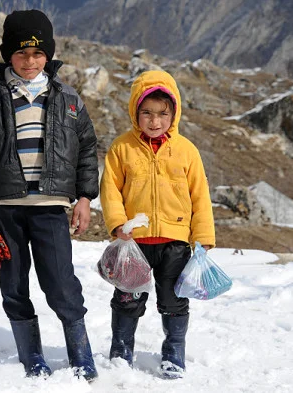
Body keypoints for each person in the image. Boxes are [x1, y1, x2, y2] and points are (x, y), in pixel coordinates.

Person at [0, 9, 99, 381]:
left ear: (48, 55)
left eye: (38, 54)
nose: (30, 61)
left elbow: (87, 150)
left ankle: (81, 354)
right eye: (21, 54)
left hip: (51, 207)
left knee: (61, 284)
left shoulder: (69, 100)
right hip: (5, 210)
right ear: (8, 55)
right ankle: (31, 355)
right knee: (13, 284)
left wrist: (85, 198)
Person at [100, 70, 216, 379]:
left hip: (174, 241)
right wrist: (116, 224)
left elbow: (200, 196)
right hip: (133, 242)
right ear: (134, 113)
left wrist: (203, 236)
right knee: (127, 298)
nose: (155, 121)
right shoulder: (121, 148)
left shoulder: (186, 150)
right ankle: (121, 351)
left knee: (173, 299)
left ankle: (173, 352)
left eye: (163, 113)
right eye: (147, 113)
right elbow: (110, 191)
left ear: (174, 113)